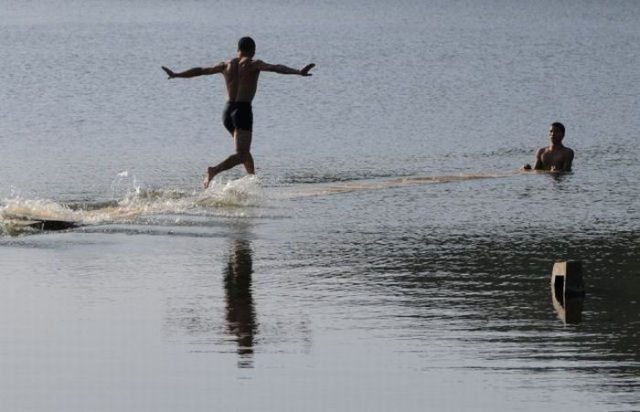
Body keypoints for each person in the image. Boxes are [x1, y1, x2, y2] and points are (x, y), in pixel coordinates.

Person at [162, 36, 315, 188]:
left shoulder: (226, 64)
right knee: (242, 154)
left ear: (238, 50)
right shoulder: (253, 64)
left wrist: (177, 74)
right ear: (253, 51)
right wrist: (298, 71)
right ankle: (214, 170)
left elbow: (201, 71)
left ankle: (253, 181)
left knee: (245, 152)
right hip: (242, 111)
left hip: (227, 112)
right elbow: (276, 68)